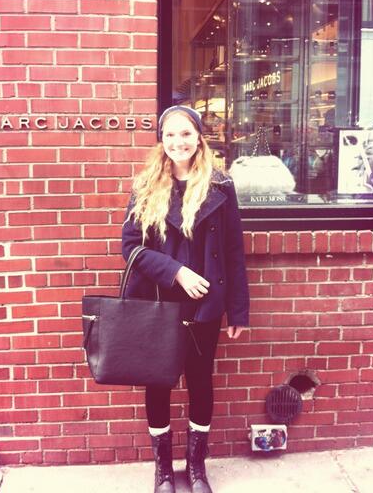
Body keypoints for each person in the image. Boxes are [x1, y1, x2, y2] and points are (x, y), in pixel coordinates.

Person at [122, 105, 250, 493]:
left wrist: (238, 311)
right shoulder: (146, 185)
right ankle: (163, 470)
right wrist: (176, 271)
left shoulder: (221, 186)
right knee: (158, 383)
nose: (178, 142)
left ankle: (196, 468)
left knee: (200, 382)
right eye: (170, 135)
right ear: (161, 140)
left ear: (198, 137)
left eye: (186, 134)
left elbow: (233, 251)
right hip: (158, 303)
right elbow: (130, 247)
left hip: (204, 305)